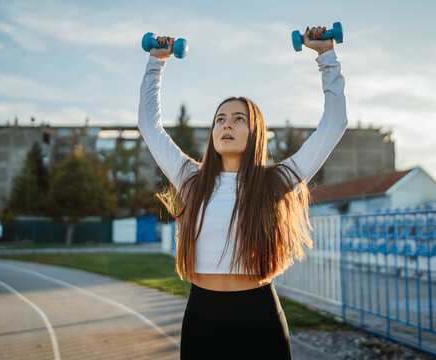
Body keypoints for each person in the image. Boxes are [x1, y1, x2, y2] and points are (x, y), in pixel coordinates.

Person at [138, 25, 348, 360]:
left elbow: (335, 123)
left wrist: (326, 56)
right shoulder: (191, 179)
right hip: (202, 319)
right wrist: (155, 63)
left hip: (259, 318)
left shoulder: (275, 181)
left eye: (238, 119)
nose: (226, 125)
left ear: (255, 133)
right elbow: (150, 126)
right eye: (220, 119)